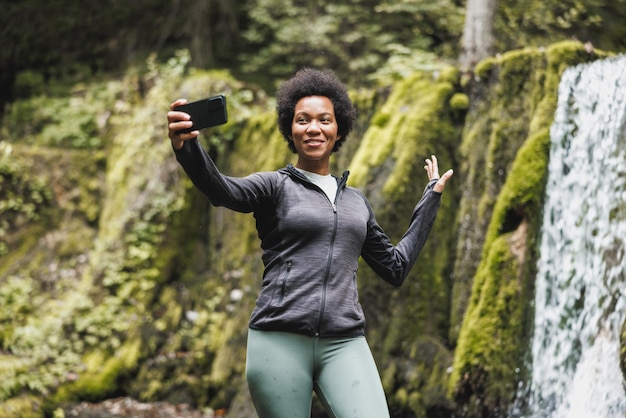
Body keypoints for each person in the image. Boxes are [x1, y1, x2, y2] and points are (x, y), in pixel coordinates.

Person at [167, 68, 453, 418]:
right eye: (303, 120)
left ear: (338, 130)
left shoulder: (357, 202)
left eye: (324, 120)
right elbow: (221, 190)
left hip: (345, 342)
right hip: (279, 338)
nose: (313, 128)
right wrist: (187, 147)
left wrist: (430, 199)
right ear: (290, 129)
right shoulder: (274, 187)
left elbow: (395, 268)